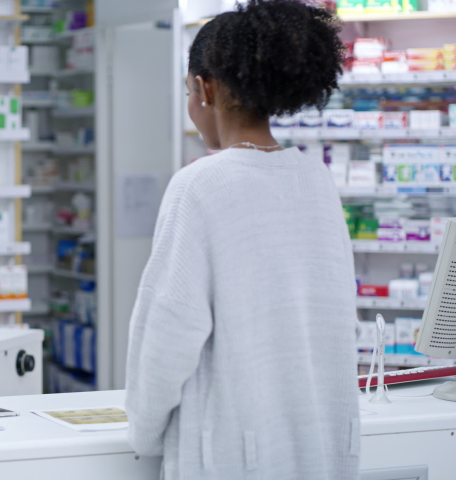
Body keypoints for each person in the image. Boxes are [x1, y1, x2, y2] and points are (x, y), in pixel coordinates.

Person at [125, 1, 359, 478]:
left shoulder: (200, 184)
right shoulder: (314, 178)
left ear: (204, 88)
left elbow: (166, 337)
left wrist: (142, 432)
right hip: (321, 448)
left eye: (187, 90)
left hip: (232, 454)